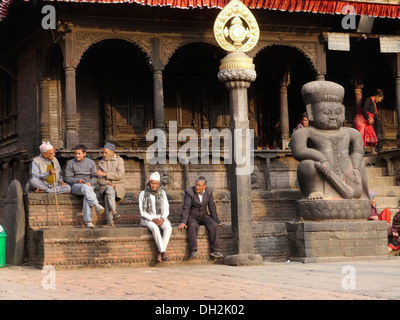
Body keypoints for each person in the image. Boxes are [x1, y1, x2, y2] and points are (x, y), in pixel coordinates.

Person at [291, 81, 368, 200]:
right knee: (306, 165)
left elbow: (358, 151)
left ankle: (361, 196)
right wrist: (321, 159)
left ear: (342, 111)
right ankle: (314, 191)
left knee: (362, 164)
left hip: (348, 175)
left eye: (337, 113)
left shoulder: (351, 133)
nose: (332, 117)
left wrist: (356, 168)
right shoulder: (304, 132)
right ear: (311, 112)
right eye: (326, 112)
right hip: (321, 175)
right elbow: (299, 151)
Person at [178, 176, 224, 259]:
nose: (197, 187)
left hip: (203, 215)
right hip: (192, 216)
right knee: (192, 226)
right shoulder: (189, 192)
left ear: (204, 187)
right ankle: (193, 250)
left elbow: (212, 206)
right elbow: (186, 207)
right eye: (196, 185)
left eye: (199, 185)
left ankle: (215, 250)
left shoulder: (209, 192)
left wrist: (217, 221)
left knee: (213, 225)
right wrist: (183, 222)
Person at [65, 144, 104, 228]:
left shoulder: (91, 163)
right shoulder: (71, 163)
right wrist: (77, 180)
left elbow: (95, 177)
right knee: (86, 188)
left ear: (84, 153)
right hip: (76, 186)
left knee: (87, 194)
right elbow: (67, 178)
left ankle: (88, 222)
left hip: (88, 185)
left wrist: (90, 182)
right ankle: (97, 205)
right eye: (75, 153)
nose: (77, 155)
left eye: (79, 153)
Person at [139, 172, 172, 262]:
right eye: (152, 183)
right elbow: (143, 212)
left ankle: (160, 252)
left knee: (168, 228)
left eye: (155, 183)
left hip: (161, 217)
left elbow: (166, 208)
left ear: (159, 184)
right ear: (149, 183)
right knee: (154, 228)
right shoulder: (143, 194)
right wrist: (153, 219)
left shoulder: (162, 193)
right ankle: (163, 252)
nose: (153, 185)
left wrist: (162, 218)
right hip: (148, 219)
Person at [95, 142, 125, 228]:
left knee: (108, 194)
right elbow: (99, 179)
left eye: (106, 152)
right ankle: (114, 212)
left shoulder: (119, 160)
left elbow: (120, 175)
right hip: (105, 186)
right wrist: (108, 182)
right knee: (109, 190)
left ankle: (110, 222)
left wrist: (105, 174)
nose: (104, 154)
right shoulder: (101, 162)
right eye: (103, 152)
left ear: (112, 152)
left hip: (118, 186)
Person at [354, 90, 384, 155]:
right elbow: (364, 109)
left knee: (371, 134)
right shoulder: (368, 99)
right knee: (361, 135)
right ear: (377, 96)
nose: (380, 101)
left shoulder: (374, 103)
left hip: (368, 121)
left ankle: (372, 151)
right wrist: (368, 118)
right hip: (361, 119)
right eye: (380, 99)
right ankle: (360, 151)